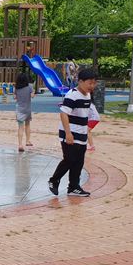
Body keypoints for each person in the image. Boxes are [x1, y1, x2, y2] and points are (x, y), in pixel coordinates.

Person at [48, 68, 98, 197]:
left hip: (81, 133)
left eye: (94, 83)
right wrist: (68, 133)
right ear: (80, 81)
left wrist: (87, 130)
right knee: (69, 159)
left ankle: (73, 187)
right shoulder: (72, 94)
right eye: (89, 83)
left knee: (79, 161)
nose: (92, 86)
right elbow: (64, 113)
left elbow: (86, 114)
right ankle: (54, 180)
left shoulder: (87, 95)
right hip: (70, 133)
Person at [14, 73, 36, 152]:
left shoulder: (16, 88)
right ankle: (27, 141)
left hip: (19, 109)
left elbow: (15, 97)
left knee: (20, 127)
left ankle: (20, 144)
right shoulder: (30, 87)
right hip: (27, 109)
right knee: (27, 125)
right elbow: (32, 96)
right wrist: (33, 92)